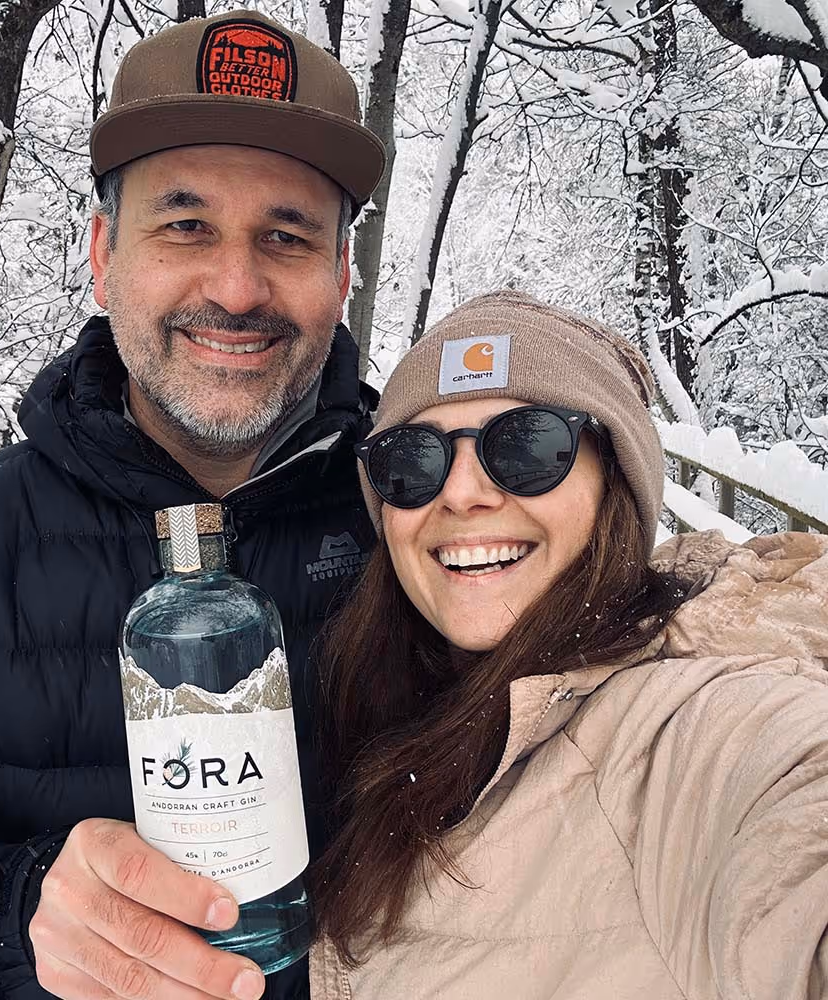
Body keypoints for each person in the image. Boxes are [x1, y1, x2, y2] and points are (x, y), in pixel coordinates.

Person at [0, 10, 384, 1000]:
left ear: (340, 275)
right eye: (185, 224)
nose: (236, 284)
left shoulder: (435, 533)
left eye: (287, 235)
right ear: (101, 251)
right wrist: (19, 917)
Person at [308, 290, 828, 1000]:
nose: (461, 493)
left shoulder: (693, 732)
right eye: (413, 460)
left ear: (615, 483)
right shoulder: (385, 708)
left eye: (526, 446)